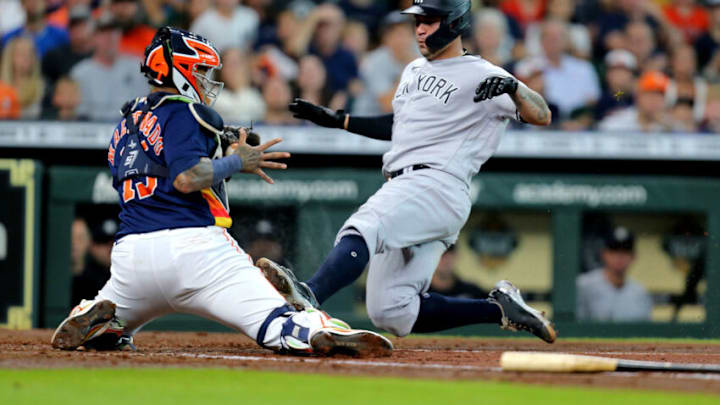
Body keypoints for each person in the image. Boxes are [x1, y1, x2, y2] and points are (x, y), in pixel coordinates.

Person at [50, 27, 392, 358]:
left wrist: (220, 150)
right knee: (277, 324)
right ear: (179, 69)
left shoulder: (125, 123)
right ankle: (312, 329)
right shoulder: (186, 111)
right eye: (200, 69)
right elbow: (186, 178)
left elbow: (163, 170)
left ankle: (101, 321)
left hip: (131, 259)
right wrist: (235, 162)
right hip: (195, 251)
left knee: (115, 319)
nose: (206, 78)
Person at [259, 0, 556, 344]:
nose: (419, 29)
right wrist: (340, 120)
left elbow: (542, 115)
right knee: (392, 311)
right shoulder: (414, 69)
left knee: (365, 225)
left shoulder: (482, 73)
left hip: (437, 182)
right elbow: (401, 126)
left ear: (455, 22)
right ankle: (499, 310)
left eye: (429, 21)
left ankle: (309, 296)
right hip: (415, 188)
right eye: (417, 21)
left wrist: (515, 88)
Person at [69, 15, 148, 121]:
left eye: (113, 32)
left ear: (120, 35)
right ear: (93, 38)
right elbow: (79, 114)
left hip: (131, 130)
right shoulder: (80, 73)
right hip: (93, 130)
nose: (109, 37)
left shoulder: (137, 66)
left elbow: (145, 106)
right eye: (103, 33)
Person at [576, 226, 653, 322]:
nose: (619, 256)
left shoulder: (640, 293)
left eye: (625, 251)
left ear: (633, 256)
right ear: (604, 254)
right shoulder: (584, 285)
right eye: (614, 250)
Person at [598, 70, 672, 132]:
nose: (654, 100)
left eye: (659, 96)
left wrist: (669, 129)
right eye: (649, 94)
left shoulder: (670, 126)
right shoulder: (619, 121)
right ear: (638, 97)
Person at [0, 36, 44, 119]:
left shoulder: (43, 87)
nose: (26, 58)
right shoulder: (1, 86)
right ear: (10, 57)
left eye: (30, 54)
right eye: (21, 54)